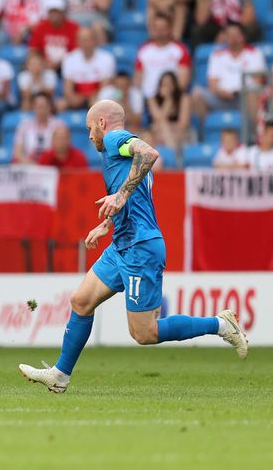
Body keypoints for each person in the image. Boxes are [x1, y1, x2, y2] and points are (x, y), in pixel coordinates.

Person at [19, 100, 248, 393]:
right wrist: (107, 223)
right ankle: (60, 375)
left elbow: (150, 153)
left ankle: (221, 324)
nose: (89, 137)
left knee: (145, 333)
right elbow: (133, 196)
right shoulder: (120, 156)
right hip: (122, 243)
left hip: (140, 246)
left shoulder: (115, 139)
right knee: (81, 301)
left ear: (102, 123)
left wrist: (120, 196)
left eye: (90, 128)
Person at [192, 23, 266, 128]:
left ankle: (256, 135)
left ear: (243, 36)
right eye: (229, 35)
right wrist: (221, 92)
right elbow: (212, 83)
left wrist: (240, 91)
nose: (233, 38)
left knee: (252, 94)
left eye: (236, 35)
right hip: (221, 97)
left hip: (243, 97)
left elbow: (258, 81)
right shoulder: (217, 54)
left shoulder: (254, 53)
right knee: (197, 93)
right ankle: (204, 132)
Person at [134, 14, 191, 100]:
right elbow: (138, 79)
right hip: (147, 98)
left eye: (163, 28)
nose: (159, 31)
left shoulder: (180, 49)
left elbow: (183, 82)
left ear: (170, 29)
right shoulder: (143, 50)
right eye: (157, 28)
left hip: (172, 98)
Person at [58, 27, 115, 111]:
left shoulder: (107, 58)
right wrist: (73, 98)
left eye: (88, 40)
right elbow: (68, 88)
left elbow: (105, 85)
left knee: (110, 96)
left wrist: (94, 97)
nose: (85, 44)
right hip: (78, 96)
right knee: (60, 104)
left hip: (97, 96)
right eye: (82, 40)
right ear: (77, 42)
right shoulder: (69, 59)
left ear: (95, 41)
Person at [28, 0, 79, 72]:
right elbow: (33, 49)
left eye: (57, 12)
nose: (54, 15)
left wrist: (60, 63)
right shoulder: (40, 27)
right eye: (52, 12)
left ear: (63, 13)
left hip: (68, 65)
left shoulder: (73, 28)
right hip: (44, 66)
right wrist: (42, 63)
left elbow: (76, 52)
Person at [192, 0, 260, 48]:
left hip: (238, 25)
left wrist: (230, 33)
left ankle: (251, 55)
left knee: (253, 28)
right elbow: (200, 20)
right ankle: (198, 61)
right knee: (197, 30)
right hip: (216, 28)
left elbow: (249, 15)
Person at [13, 92, 64, 163]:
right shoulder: (24, 125)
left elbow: (63, 149)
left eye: (43, 106)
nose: (41, 110)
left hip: (52, 164)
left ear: (49, 107)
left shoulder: (58, 125)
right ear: (33, 107)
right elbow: (17, 152)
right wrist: (32, 164)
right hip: (29, 165)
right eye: (38, 106)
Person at [147, 71, 192, 151]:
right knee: (158, 130)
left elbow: (183, 124)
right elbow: (159, 119)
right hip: (160, 132)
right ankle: (170, 153)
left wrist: (167, 127)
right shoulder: (152, 99)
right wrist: (168, 100)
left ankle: (170, 153)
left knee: (163, 128)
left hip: (178, 132)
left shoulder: (183, 98)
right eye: (164, 85)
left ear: (175, 85)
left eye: (170, 84)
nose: (167, 88)